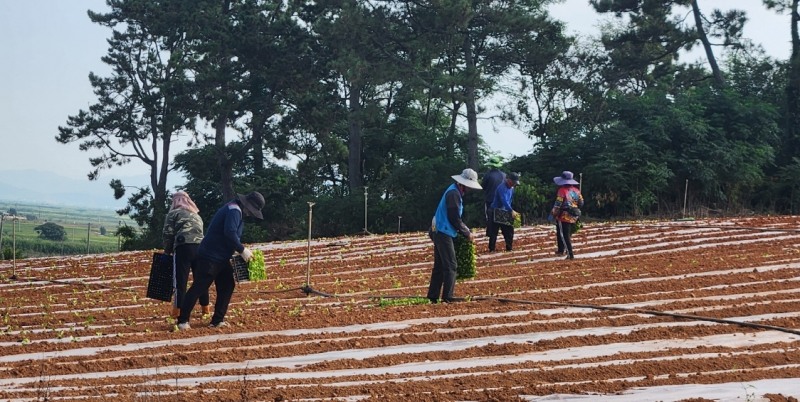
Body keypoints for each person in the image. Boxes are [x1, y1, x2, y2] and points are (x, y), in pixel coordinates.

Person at [177, 191, 265, 330]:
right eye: (251, 210)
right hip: (210, 256)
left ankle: (217, 320)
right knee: (199, 286)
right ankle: (182, 320)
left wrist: (238, 248)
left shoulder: (236, 210)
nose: (250, 213)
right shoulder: (234, 211)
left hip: (222, 257)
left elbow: (232, 236)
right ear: (246, 205)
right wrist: (242, 250)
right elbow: (229, 232)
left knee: (227, 284)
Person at [427, 168, 482, 304]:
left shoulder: (454, 191)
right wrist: (467, 233)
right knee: (451, 265)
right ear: (463, 184)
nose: (469, 189)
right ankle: (448, 297)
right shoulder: (453, 194)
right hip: (443, 231)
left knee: (440, 265)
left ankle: (433, 296)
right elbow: (454, 218)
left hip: (439, 230)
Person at [162, 191, 209, 319]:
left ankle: (177, 311)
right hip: (201, 248)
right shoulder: (196, 214)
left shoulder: (173, 214)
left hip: (183, 247)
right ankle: (205, 309)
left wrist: (167, 251)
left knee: (180, 281)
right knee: (201, 280)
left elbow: (168, 234)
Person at [550, 171, 584, 260]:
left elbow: (558, 204)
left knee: (564, 235)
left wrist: (553, 213)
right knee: (563, 233)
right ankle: (561, 250)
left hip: (564, 216)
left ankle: (570, 254)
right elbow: (581, 203)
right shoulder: (577, 190)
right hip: (574, 215)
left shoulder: (562, 190)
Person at [487, 172, 520, 252]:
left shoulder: (512, 188)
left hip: (505, 211)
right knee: (494, 231)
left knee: (509, 230)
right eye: (513, 183)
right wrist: (511, 210)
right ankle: (492, 249)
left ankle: (509, 248)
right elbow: (504, 200)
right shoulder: (501, 187)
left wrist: (510, 210)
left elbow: (510, 200)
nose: (514, 185)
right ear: (509, 180)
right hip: (496, 210)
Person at [481, 156, 506, 236]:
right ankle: (503, 232)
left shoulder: (488, 175)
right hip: (501, 200)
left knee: (490, 216)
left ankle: (490, 232)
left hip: (490, 199)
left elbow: (483, 186)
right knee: (501, 215)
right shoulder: (504, 175)